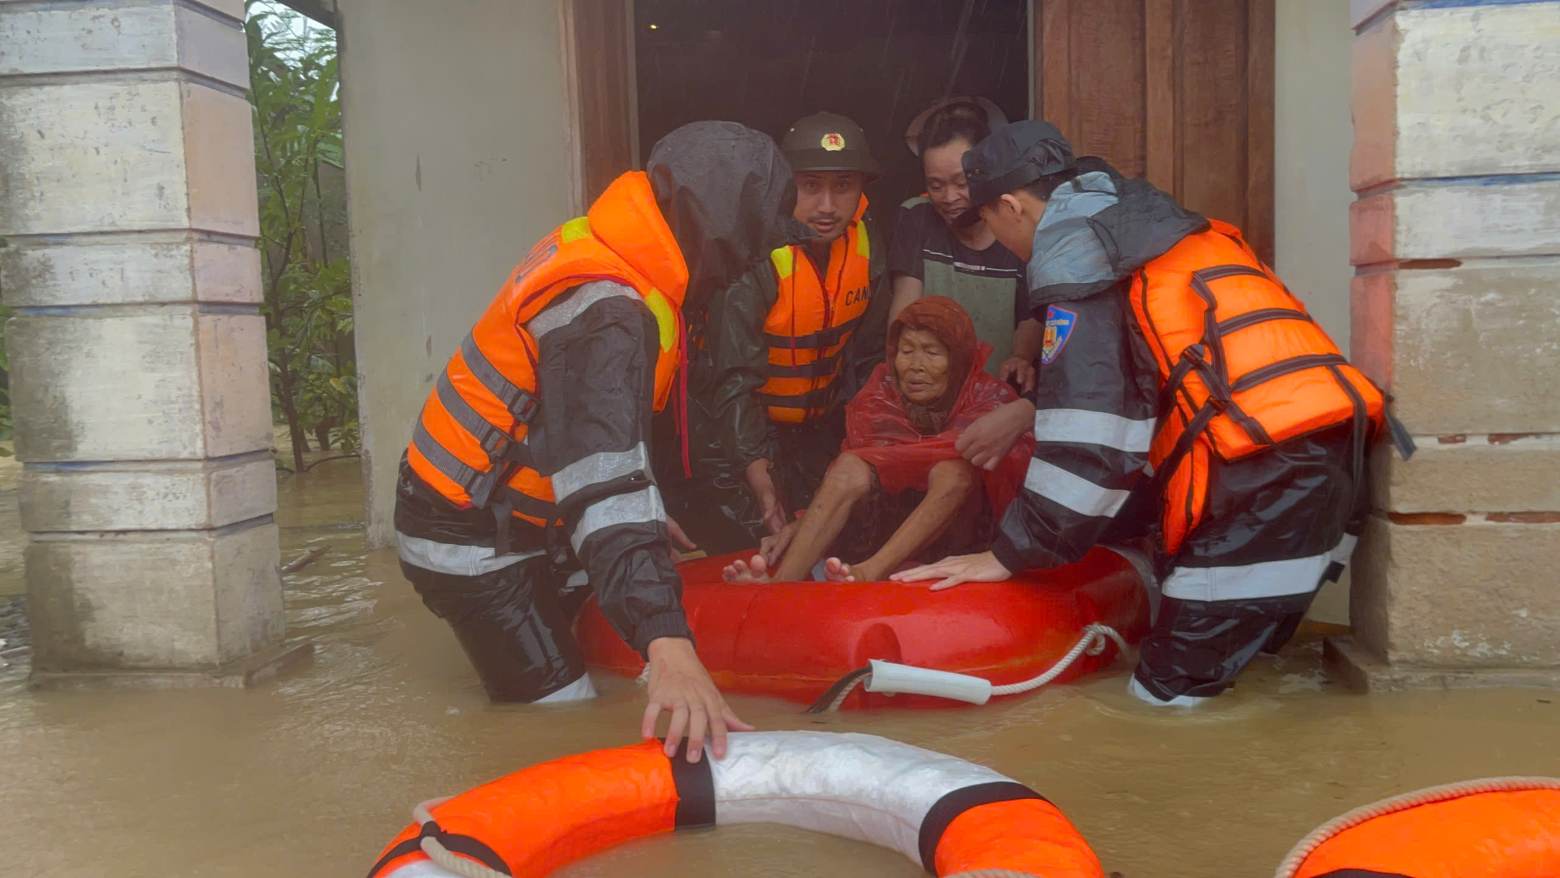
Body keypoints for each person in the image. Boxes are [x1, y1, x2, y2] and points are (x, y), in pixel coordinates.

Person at [896, 120, 1393, 707]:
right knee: (1247, 677)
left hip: (1264, 477)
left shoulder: (1082, 258)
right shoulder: (1151, 231)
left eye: (992, 223)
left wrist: (1009, 553)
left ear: (1010, 205)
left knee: (1163, 702)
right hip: (1333, 454)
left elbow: (1095, 443)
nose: (1003, 242)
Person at [394, 121, 808, 762]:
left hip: (513, 508)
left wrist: (651, 514)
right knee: (562, 719)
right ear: (723, 230)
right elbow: (601, 480)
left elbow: (603, 443)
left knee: (592, 648)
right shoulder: (607, 310)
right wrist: (668, 645)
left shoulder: (618, 252)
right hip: (469, 539)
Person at [677, 111, 890, 552]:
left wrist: (860, 445)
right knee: (751, 544)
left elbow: (867, 359)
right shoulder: (753, 252)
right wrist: (757, 468)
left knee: (829, 541)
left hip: (816, 429)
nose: (828, 205)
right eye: (810, 186)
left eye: (843, 186)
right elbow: (732, 378)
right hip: (733, 433)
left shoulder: (868, 243)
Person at [723, 297, 1032, 584]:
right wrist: (800, 525)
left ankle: (865, 574)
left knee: (954, 469)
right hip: (881, 526)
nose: (916, 365)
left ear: (959, 360)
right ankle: (781, 585)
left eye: (932, 352)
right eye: (907, 351)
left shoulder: (989, 400)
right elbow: (858, 467)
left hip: (961, 535)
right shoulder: (881, 394)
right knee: (850, 464)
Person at [889, 98, 1043, 393]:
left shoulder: (1016, 228)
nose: (949, 197)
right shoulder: (916, 216)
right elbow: (904, 312)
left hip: (994, 397)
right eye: (936, 185)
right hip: (929, 397)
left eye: (961, 183)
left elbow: (1030, 316)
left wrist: (1021, 357)